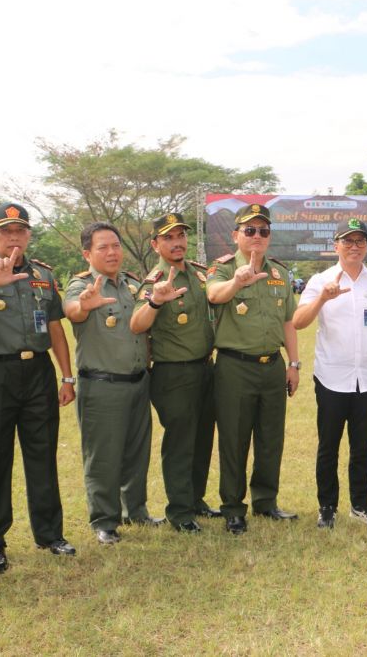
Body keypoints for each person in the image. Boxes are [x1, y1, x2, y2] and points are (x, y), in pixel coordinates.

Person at [0, 202, 77, 572]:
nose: (14, 236)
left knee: (42, 455)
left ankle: (50, 534)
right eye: (6, 230)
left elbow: (56, 326)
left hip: (38, 373)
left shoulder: (42, 274)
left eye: (20, 230)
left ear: (28, 235)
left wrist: (67, 376)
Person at [293, 218, 367, 529]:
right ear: (335, 246)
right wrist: (323, 297)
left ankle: (361, 505)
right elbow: (298, 322)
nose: (354, 247)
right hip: (331, 378)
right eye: (347, 241)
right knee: (329, 446)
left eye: (360, 241)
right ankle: (327, 506)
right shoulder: (319, 280)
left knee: (362, 446)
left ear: (366, 246)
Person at [65, 222, 161, 545]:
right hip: (102, 386)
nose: (112, 252)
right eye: (103, 247)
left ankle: (135, 509)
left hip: (137, 382)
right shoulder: (82, 286)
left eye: (116, 246)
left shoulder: (132, 285)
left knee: (137, 452)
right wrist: (84, 306)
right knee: (103, 457)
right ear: (87, 253)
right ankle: (104, 521)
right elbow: (73, 311)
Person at [206, 204, 300, 535]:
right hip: (235, 367)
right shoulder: (222, 269)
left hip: (272, 366)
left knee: (271, 437)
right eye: (249, 230)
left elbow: (288, 321)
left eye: (263, 231)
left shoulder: (279, 273)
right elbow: (215, 296)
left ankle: (265, 501)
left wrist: (294, 363)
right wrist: (236, 282)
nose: (257, 236)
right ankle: (233, 507)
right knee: (233, 439)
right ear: (236, 235)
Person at [130, 213, 220, 534]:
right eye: (168, 237)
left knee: (202, 438)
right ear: (155, 244)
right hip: (173, 374)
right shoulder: (154, 283)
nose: (177, 242)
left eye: (181, 235)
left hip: (204, 369)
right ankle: (179, 512)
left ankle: (196, 500)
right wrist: (155, 302)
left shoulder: (198, 274)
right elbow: (136, 325)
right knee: (180, 442)